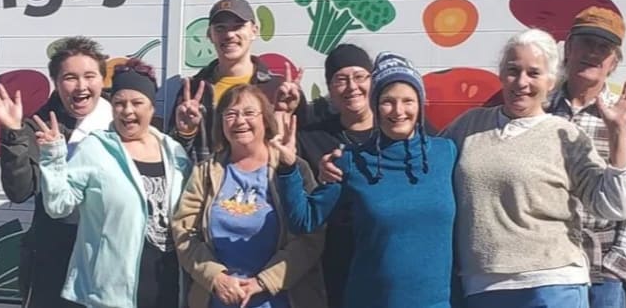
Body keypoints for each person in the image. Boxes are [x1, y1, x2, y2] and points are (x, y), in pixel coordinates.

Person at [443, 28, 626, 307]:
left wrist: (617, 133)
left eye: (534, 73)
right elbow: (424, 165)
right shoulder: (469, 126)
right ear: (501, 74)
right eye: (513, 70)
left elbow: (614, 206)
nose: (522, 82)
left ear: (551, 81)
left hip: (552, 284)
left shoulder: (564, 134)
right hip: (481, 285)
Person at [276, 52, 458, 308]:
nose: (398, 111)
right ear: (375, 105)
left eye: (408, 100)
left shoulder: (446, 153)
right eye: (387, 101)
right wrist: (287, 167)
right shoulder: (352, 161)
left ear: (420, 103)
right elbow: (303, 220)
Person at [35, 62, 192, 308]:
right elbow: (58, 206)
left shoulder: (174, 152)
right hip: (109, 296)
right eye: (119, 103)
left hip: (170, 290)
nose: (127, 111)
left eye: (137, 103)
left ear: (152, 107)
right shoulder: (94, 148)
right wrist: (53, 156)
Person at [0, 36, 115, 308]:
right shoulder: (38, 125)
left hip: (110, 257)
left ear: (102, 80)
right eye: (70, 77)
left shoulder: (122, 119)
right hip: (55, 260)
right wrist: (14, 133)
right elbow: (19, 191)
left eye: (89, 76)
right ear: (56, 82)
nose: (81, 86)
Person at [172, 83, 328, 308]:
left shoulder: (292, 168)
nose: (239, 121)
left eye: (249, 113)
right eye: (231, 114)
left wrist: (263, 282)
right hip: (217, 300)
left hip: (281, 300)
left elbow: (311, 235)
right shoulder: (206, 172)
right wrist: (215, 277)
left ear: (265, 119)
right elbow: (184, 231)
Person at [545, 7, 626, 308]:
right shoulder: (539, 111)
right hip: (544, 264)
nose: (593, 53)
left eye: (604, 47)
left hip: (601, 269)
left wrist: (616, 267)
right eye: (586, 42)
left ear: (613, 63)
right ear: (568, 49)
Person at [172, 0, 310, 163]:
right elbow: (173, 156)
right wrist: (186, 133)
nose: (229, 34)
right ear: (210, 35)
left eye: (238, 26)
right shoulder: (193, 90)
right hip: (208, 179)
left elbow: (302, 150)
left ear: (254, 31)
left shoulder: (278, 89)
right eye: (220, 28)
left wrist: (285, 115)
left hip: (265, 179)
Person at [294, 43, 375, 308]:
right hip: (332, 266)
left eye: (359, 76)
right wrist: (318, 181)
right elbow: (294, 201)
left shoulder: (396, 132)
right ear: (329, 88)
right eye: (341, 79)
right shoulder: (310, 138)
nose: (352, 87)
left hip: (384, 259)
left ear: (372, 81)